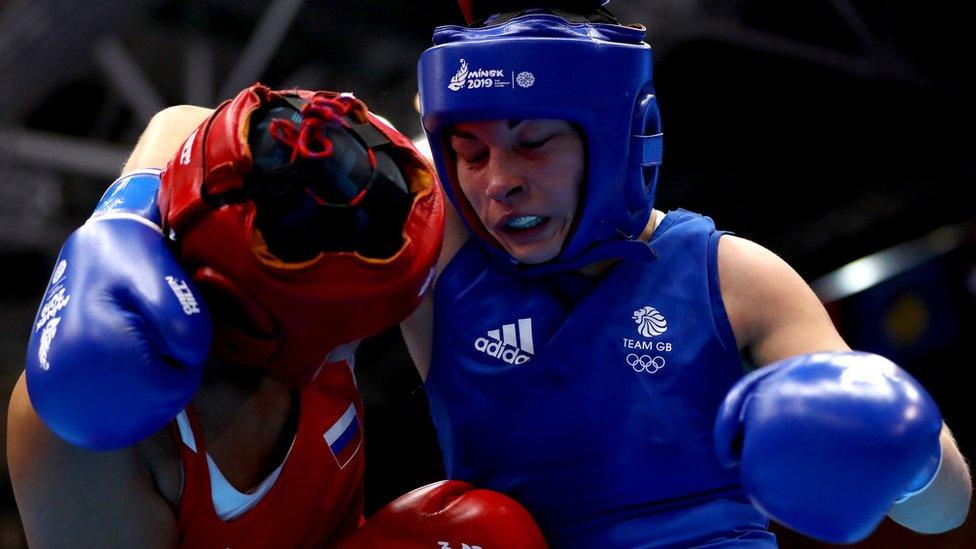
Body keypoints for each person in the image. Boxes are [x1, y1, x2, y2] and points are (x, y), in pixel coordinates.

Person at [14, 1, 972, 547]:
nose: (497, 182)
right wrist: (122, 223)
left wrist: (899, 445)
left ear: (613, 136)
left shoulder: (733, 278)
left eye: (534, 142)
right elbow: (200, 124)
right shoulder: (447, 248)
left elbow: (949, 504)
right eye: (467, 149)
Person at [8, 84, 547, 548]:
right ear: (269, 322)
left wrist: (124, 215)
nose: (371, 327)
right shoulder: (90, 431)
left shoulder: (306, 234)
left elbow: (185, 122)